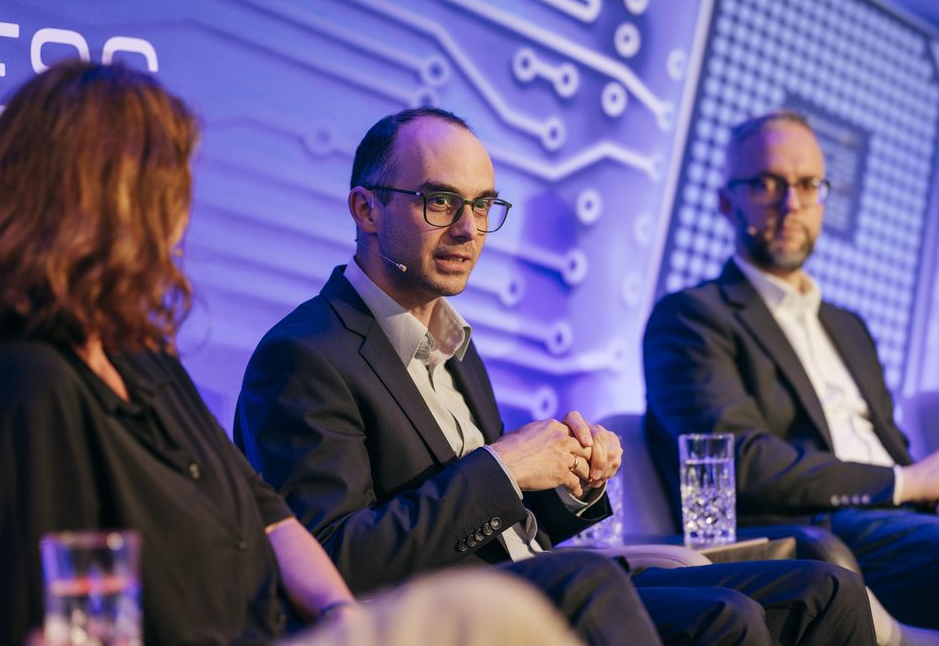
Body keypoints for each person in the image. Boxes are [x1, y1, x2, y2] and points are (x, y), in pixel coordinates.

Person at [0, 63, 575, 646]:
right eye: (164, 190)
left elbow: (266, 512)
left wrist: (342, 614)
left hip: (282, 628)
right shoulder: (18, 388)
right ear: (92, 206)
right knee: (495, 611)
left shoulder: (139, 356)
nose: (179, 219)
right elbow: (37, 613)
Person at [234, 106, 875, 646]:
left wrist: (574, 484)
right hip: (455, 613)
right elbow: (337, 560)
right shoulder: (305, 356)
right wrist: (506, 466)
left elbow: (507, 522)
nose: (468, 229)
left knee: (826, 589)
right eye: (440, 202)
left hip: (545, 574)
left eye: (483, 206)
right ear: (365, 209)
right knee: (721, 617)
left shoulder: (453, 341)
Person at [643, 110, 939, 630]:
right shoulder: (692, 317)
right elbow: (741, 462)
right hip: (819, 534)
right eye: (767, 183)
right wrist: (904, 482)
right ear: (726, 201)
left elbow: (885, 442)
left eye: (808, 185)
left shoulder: (850, 328)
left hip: (903, 519)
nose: (791, 203)